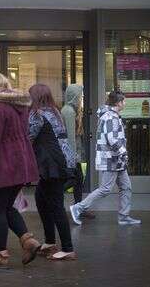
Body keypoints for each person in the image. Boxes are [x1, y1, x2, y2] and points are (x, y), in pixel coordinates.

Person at [0, 72, 41, 269]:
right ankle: (28, 241)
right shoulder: (18, 107)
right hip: (19, 167)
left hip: (1, 168)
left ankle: (0, 255)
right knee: (7, 207)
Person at [69, 91, 141, 226]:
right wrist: (123, 152)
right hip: (111, 159)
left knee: (126, 187)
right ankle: (78, 207)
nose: (125, 103)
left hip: (116, 160)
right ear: (118, 103)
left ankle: (124, 216)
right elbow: (112, 138)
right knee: (105, 189)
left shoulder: (112, 116)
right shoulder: (110, 117)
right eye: (123, 101)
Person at [29, 84, 77, 261]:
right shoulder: (54, 112)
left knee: (56, 205)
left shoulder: (37, 114)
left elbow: (28, 136)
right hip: (61, 162)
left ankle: (68, 248)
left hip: (52, 166)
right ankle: (49, 242)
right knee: (41, 199)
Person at [61, 84, 95, 219]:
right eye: (79, 96)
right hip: (71, 154)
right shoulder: (68, 111)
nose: (81, 98)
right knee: (74, 179)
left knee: (78, 180)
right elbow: (70, 137)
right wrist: (73, 156)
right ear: (74, 96)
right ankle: (53, 196)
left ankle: (79, 207)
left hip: (73, 153)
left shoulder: (71, 110)